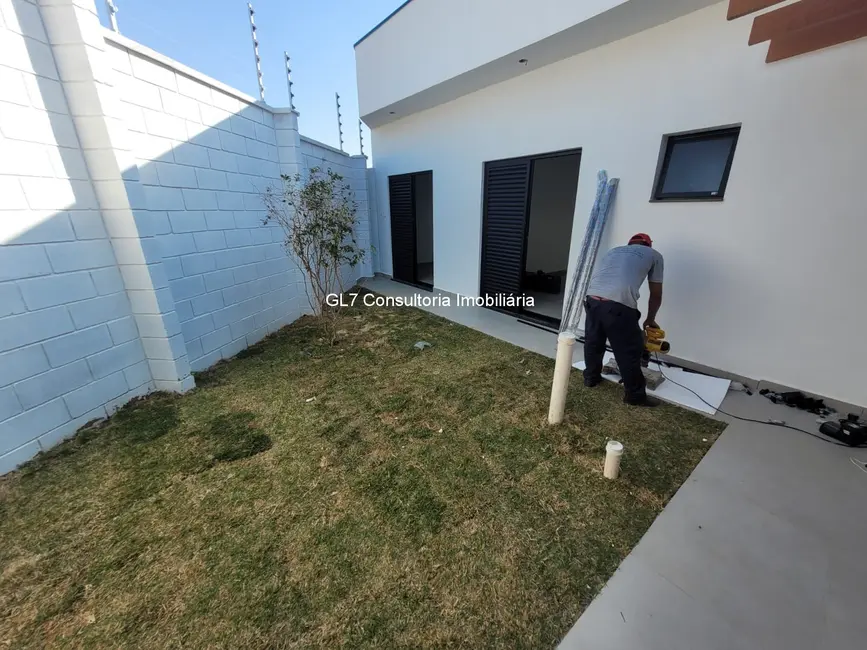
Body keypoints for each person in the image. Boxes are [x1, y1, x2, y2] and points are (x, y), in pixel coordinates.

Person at [582, 233, 664, 407]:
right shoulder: (654, 255)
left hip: (592, 298)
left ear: (630, 244)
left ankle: (590, 378)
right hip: (618, 304)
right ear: (648, 245)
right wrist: (650, 319)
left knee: (593, 342)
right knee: (628, 351)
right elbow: (656, 294)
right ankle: (635, 396)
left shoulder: (614, 251)